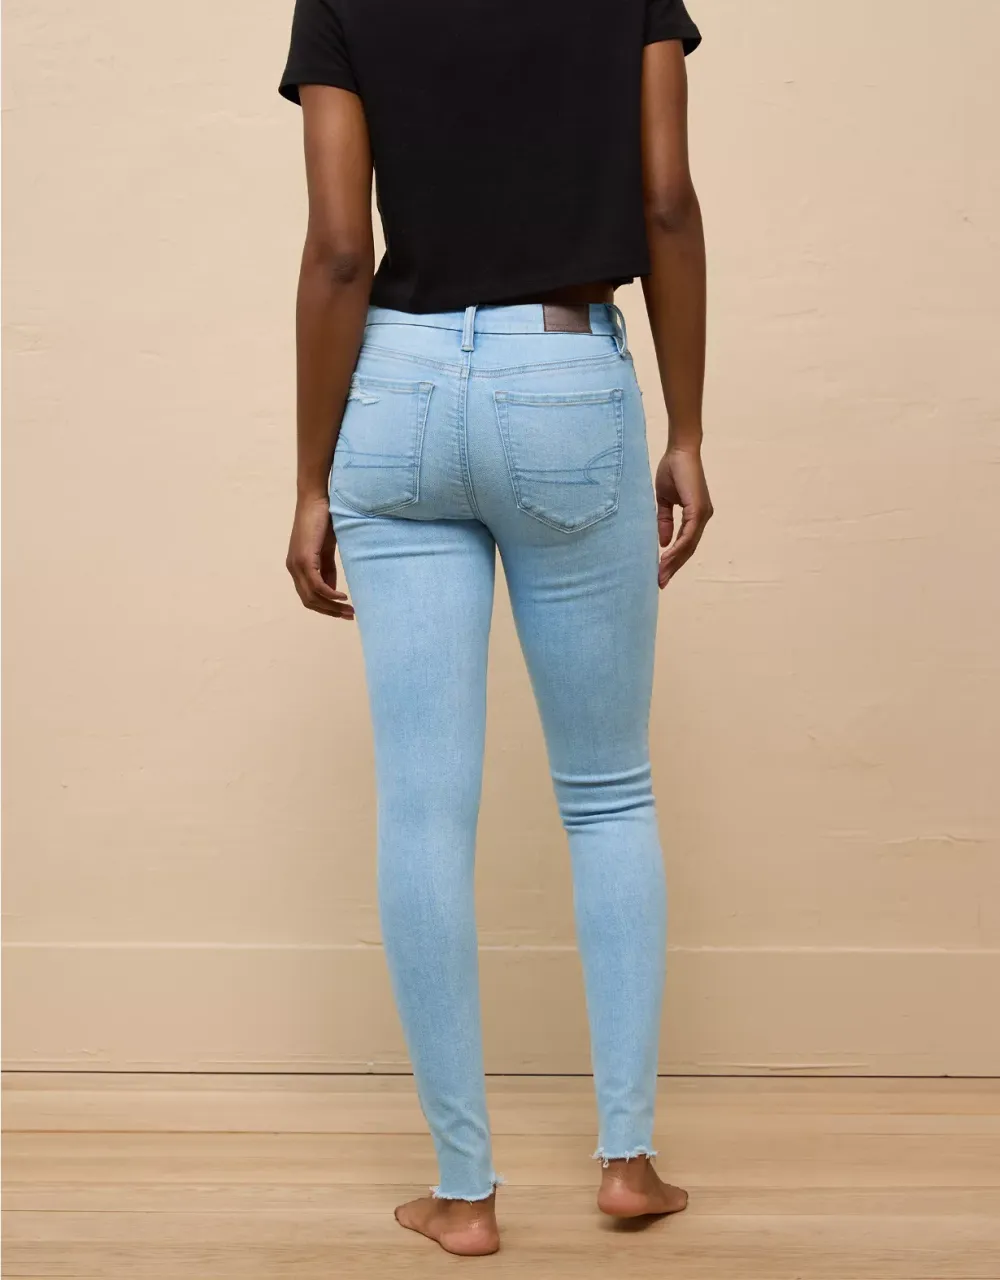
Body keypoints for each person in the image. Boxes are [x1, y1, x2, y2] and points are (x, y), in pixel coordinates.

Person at [279, 0, 712, 1257]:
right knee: (608, 794)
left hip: (396, 389)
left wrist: (309, 478)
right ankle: (626, 1161)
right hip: (563, 375)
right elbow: (667, 201)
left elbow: (339, 251)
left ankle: (462, 1192)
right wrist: (686, 426)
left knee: (423, 806)